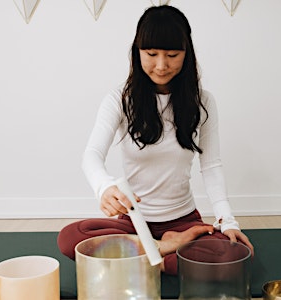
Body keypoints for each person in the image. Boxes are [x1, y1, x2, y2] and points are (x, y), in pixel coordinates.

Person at [57, 5, 253, 275]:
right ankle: (162, 249)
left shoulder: (203, 102)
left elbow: (211, 165)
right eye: (151, 54)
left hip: (184, 222)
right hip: (133, 221)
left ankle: (140, 255)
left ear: (187, 53)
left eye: (172, 55)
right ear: (137, 52)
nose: (161, 65)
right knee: (71, 237)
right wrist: (103, 187)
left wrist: (228, 221)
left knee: (231, 255)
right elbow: (91, 155)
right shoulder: (119, 99)